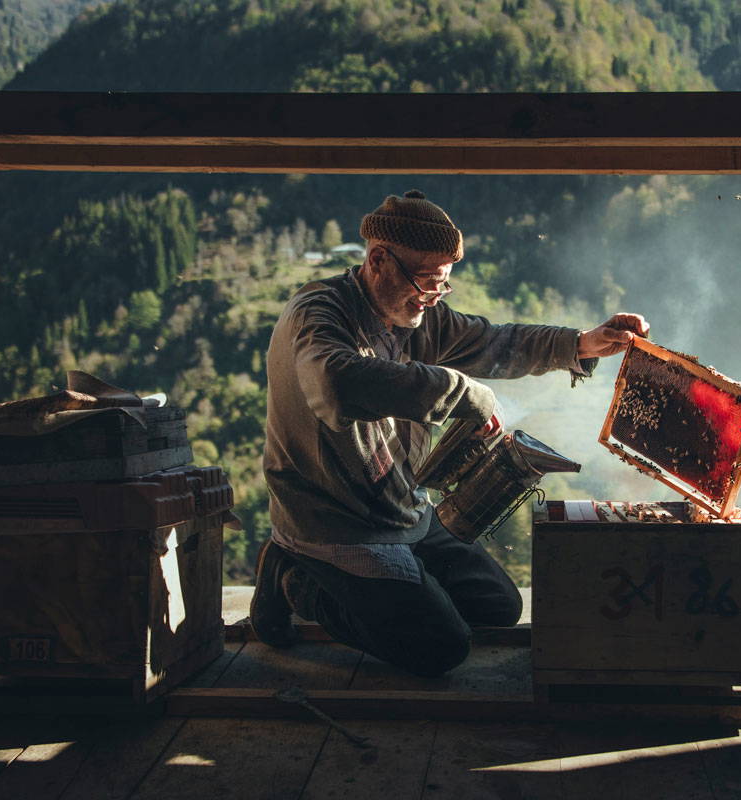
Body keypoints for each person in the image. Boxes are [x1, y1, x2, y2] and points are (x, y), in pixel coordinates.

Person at [252, 189, 647, 676]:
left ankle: (389, 584)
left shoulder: (421, 315)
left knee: (498, 608)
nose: (432, 296)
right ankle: (296, 580)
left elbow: (495, 341)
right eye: (425, 281)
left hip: (399, 504)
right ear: (378, 261)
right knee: (441, 648)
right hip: (335, 518)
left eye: (442, 285)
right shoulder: (318, 313)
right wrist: (461, 391)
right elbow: (336, 384)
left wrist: (582, 344)